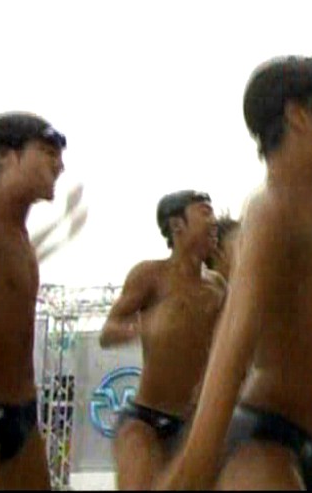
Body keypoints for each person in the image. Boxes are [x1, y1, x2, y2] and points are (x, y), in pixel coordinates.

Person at [160, 55, 312, 490]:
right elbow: (235, 338)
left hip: (306, 443)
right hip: (264, 444)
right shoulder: (272, 209)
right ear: (299, 115)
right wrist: (192, 468)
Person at [100, 190, 225, 489]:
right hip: (144, 421)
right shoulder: (150, 275)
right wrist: (144, 329)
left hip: (195, 425)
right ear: (177, 225)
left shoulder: (218, 286)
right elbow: (108, 332)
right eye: (205, 212)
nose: (214, 222)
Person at [0, 112, 66, 489]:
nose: (59, 166)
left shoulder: (22, 242)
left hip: (23, 417)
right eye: (48, 152)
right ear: (6, 155)